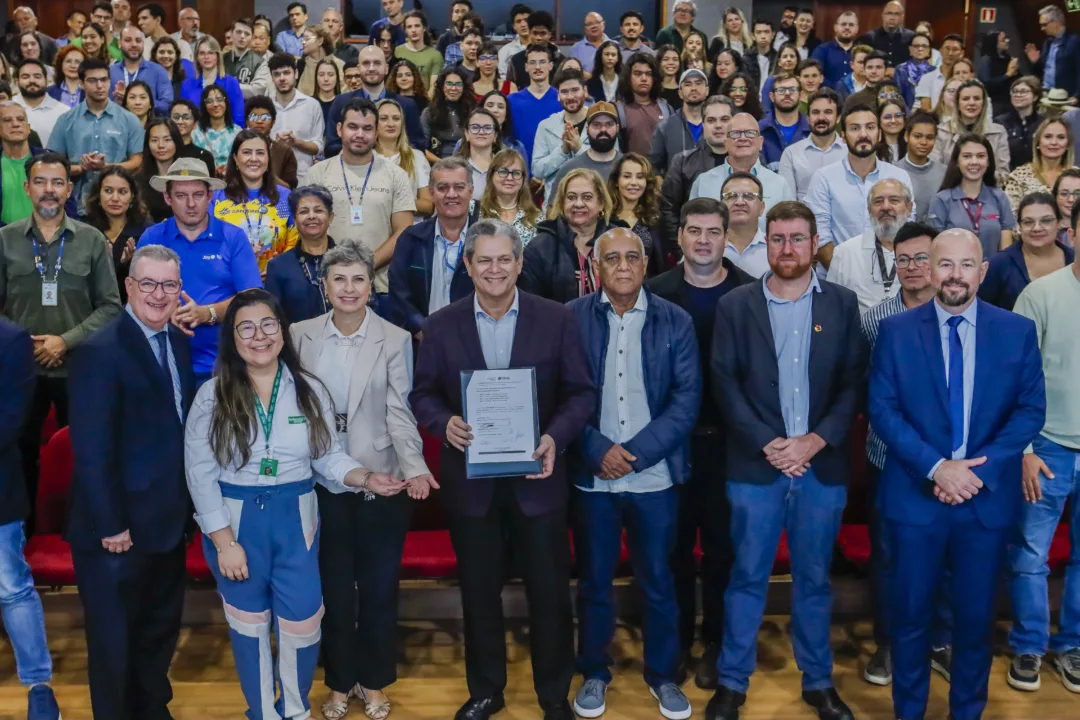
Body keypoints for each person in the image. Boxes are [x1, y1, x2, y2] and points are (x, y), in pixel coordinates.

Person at [410, 218, 594, 720]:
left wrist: (555, 436)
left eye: (504, 259)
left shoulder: (556, 319)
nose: (494, 269)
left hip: (540, 482)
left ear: (519, 264)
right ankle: (487, 689)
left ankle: (554, 692)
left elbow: (581, 393)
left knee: (551, 594)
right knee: (479, 595)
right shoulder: (441, 325)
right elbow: (422, 394)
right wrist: (443, 422)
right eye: (483, 260)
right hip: (472, 488)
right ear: (468, 266)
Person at [869, 228, 1046, 720]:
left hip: (984, 504)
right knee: (909, 622)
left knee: (973, 624)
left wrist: (974, 476)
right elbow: (883, 411)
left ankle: (966, 712)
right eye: (944, 264)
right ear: (929, 268)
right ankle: (910, 712)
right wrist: (938, 468)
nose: (954, 275)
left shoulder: (1016, 331)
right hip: (915, 501)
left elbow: (1030, 412)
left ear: (982, 272)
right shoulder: (897, 331)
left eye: (966, 265)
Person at [184, 286, 376, 720]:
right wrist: (223, 541)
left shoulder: (309, 390)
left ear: (282, 331)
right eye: (245, 327)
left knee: (304, 623)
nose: (259, 336)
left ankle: (294, 710)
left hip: (296, 519)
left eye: (268, 324)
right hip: (236, 523)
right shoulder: (211, 396)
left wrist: (364, 476)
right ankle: (263, 713)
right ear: (232, 338)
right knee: (250, 628)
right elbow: (200, 473)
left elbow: (327, 455)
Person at [708, 200, 866, 720]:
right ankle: (732, 683)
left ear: (813, 239)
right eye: (777, 239)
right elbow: (724, 383)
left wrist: (815, 441)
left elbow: (852, 385)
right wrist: (768, 443)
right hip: (757, 468)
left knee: (815, 580)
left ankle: (818, 683)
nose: (788, 249)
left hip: (820, 468)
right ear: (765, 241)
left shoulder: (843, 305)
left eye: (798, 238)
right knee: (747, 576)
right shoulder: (736, 305)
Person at [290, 239, 434, 720]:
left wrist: (414, 468)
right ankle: (336, 683)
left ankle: (372, 682)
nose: (349, 288)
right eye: (339, 279)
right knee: (332, 589)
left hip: (383, 478)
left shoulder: (393, 338)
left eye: (358, 279)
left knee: (376, 588)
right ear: (324, 285)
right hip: (319, 481)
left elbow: (400, 412)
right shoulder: (299, 334)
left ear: (371, 285)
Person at [565, 225, 698, 720]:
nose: (622, 266)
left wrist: (634, 454)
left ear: (647, 264)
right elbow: (560, 395)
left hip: (654, 479)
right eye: (612, 258)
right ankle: (595, 672)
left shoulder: (676, 320)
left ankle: (663, 676)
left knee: (659, 581)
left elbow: (686, 402)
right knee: (595, 582)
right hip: (593, 478)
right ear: (595, 267)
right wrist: (598, 449)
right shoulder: (571, 318)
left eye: (632, 257)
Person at [66, 243, 194, 720]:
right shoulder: (101, 350)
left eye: (169, 285)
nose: (159, 294)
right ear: (128, 287)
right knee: (114, 645)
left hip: (165, 523)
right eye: (149, 284)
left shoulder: (176, 340)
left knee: (157, 634)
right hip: (115, 534)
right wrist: (111, 524)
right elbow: (92, 449)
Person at [646, 198, 752, 689]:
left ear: (727, 237)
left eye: (714, 231)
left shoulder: (751, 292)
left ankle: (715, 643)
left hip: (730, 446)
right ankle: (674, 643)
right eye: (694, 231)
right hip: (671, 444)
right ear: (681, 237)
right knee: (672, 551)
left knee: (721, 552)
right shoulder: (654, 293)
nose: (704, 240)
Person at [0, 151, 122, 525]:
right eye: (40, 182)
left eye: (57, 182)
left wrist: (64, 341)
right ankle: (26, 534)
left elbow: (111, 307)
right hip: (20, 374)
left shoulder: (91, 240)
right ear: (27, 188)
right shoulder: (4, 240)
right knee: (17, 457)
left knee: (85, 455)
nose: (49, 190)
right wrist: (26, 345)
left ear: (69, 188)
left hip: (80, 370)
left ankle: (80, 531)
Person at [858, 221, 942, 686]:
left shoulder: (964, 314)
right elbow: (870, 393)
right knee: (888, 556)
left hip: (950, 464)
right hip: (888, 458)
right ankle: (888, 643)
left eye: (921, 258)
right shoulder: (875, 320)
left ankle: (939, 641)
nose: (912, 267)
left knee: (944, 555)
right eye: (903, 259)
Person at [1006, 218, 1080, 693]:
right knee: (1031, 556)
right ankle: (1029, 645)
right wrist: (1026, 449)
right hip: (1048, 444)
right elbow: (1015, 380)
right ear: (1073, 232)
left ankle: (1071, 645)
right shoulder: (1040, 293)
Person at [136, 158, 262, 385]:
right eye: (181, 196)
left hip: (223, 366)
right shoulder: (152, 238)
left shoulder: (233, 237)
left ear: (209, 196)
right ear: (168, 198)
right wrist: (163, 314)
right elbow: (137, 296)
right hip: (163, 365)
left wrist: (208, 313)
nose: (191, 203)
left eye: (197, 195)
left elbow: (252, 297)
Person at [0, 267, 62, 720]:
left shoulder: (11, 339)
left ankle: (39, 685)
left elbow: (12, 421)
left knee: (13, 588)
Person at [305, 97, 415, 292]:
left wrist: (366, 267)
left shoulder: (396, 174)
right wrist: (340, 272)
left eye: (367, 128)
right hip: (326, 283)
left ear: (377, 132)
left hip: (380, 285)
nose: (359, 134)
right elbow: (306, 228)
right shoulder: (318, 173)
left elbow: (403, 231)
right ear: (339, 129)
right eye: (352, 127)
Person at [804, 103, 913, 270]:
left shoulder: (899, 177)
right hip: (838, 278)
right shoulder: (824, 178)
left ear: (879, 135)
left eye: (870, 127)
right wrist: (848, 277)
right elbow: (821, 239)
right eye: (855, 128)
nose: (863, 134)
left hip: (891, 278)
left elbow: (907, 231)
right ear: (843, 136)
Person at [388, 156, 476, 337]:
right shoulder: (410, 239)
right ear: (431, 193)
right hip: (423, 341)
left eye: (459, 187)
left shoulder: (488, 239)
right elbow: (399, 292)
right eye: (443, 187)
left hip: (474, 340)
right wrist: (422, 330)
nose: (451, 194)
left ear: (471, 191)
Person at [47, 57, 144, 216]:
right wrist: (81, 168)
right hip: (76, 208)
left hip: (118, 206)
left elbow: (137, 161)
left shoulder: (129, 119)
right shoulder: (66, 120)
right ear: (81, 83)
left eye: (104, 80)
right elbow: (53, 166)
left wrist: (108, 167)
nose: (100, 86)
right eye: (92, 80)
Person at [521, 168, 619, 303]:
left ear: (601, 203)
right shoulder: (539, 248)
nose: (578, 204)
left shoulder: (619, 240)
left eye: (587, 197)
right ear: (562, 203)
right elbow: (529, 304)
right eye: (571, 197)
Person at [212, 129, 297, 273]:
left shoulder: (284, 197)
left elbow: (294, 242)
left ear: (268, 159)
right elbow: (209, 244)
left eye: (260, 153)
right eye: (246, 152)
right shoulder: (216, 198)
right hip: (228, 282)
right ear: (235, 158)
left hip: (275, 283)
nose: (254, 158)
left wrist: (279, 269)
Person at [690, 113, 793, 230]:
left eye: (750, 133)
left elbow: (788, 230)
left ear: (760, 142)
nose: (743, 138)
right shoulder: (703, 182)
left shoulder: (779, 185)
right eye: (735, 134)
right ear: (726, 143)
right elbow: (694, 229)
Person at [661, 96, 733, 260]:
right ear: (703, 124)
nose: (718, 125)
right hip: (695, 253)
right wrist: (682, 251)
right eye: (711, 120)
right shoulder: (682, 162)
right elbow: (668, 210)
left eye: (724, 119)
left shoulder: (751, 161)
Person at [979, 192, 1073, 311]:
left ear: (1059, 223)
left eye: (1046, 220)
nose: (1037, 228)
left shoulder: (1074, 261)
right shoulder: (998, 264)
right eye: (1028, 222)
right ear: (1019, 226)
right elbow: (981, 311)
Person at [826, 178, 911, 310]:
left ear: (909, 208)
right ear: (869, 210)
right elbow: (832, 305)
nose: (886, 207)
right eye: (878, 201)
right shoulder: (844, 252)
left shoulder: (927, 250)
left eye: (894, 200)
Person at [928, 133, 1015, 260]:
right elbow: (936, 249)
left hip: (993, 275)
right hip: (954, 275)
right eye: (967, 156)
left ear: (988, 161)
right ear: (957, 162)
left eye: (980, 156)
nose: (974, 162)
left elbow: (1006, 251)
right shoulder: (941, 200)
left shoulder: (1000, 197)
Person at [325, 46, 425, 156]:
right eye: (366, 63)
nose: (371, 68)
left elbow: (418, 145)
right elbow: (331, 147)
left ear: (386, 68)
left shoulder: (407, 105)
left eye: (377, 63)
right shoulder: (341, 102)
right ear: (358, 68)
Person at [264, 185, 335, 323]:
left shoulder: (349, 261)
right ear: (295, 220)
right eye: (303, 212)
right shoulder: (279, 266)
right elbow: (274, 318)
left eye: (319, 210)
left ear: (331, 217)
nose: (311, 216)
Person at [546, 104, 623, 215]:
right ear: (587, 129)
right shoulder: (570, 168)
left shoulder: (627, 166)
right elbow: (552, 212)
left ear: (617, 128)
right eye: (596, 125)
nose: (603, 130)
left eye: (609, 124)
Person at [84, 166, 147, 300]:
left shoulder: (145, 231)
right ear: (98, 194)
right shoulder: (85, 230)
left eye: (122, 192)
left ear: (132, 197)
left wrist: (128, 265)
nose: (115, 198)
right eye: (108, 191)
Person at [932, 80, 1010, 182]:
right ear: (958, 103)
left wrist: (977, 175)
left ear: (984, 103)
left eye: (977, 98)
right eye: (965, 99)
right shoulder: (942, 131)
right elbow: (935, 171)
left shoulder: (998, 132)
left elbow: (1003, 174)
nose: (971, 103)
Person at [137, 116, 211, 222]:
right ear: (147, 144)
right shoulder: (139, 181)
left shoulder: (191, 176)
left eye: (167, 140)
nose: (161, 145)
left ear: (176, 141)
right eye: (154, 140)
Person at [532, 67, 591, 199]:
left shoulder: (601, 123)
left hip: (592, 204)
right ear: (558, 95)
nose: (570, 97)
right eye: (564, 92)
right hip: (555, 206)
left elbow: (608, 166)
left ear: (585, 91)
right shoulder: (546, 126)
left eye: (575, 90)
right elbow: (537, 170)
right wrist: (562, 151)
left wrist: (579, 148)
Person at [778, 88, 844, 201]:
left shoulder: (850, 152)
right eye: (815, 112)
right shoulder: (791, 153)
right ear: (808, 118)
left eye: (828, 112)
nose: (821, 118)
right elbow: (788, 203)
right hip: (804, 217)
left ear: (838, 118)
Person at [267, 53, 323, 185]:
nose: (282, 78)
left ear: (296, 73)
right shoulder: (264, 106)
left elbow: (318, 146)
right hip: (271, 179)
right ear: (272, 78)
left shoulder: (311, 105)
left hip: (303, 178)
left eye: (286, 73)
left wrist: (296, 142)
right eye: (277, 74)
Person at [376, 98, 433, 217]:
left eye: (396, 118)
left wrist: (393, 203)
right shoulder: (365, 157)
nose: (391, 124)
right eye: (383, 118)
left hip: (409, 227)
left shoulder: (416, 157)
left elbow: (428, 205)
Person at [1005, 118, 1076, 213]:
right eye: (1048, 137)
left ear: (1068, 144)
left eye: (1061, 137)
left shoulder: (1077, 175)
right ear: (1038, 142)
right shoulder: (1019, 176)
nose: (1054, 142)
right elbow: (1011, 216)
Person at [507, 43, 561, 164]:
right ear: (526, 67)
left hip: (554, 171)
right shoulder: (511, 101)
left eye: (542, 62)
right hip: (519, 172)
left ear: (551, 65)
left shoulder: (562, 99)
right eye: (532, 62)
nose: (537, 67)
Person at [606, 153, 661, 267]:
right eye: (627, 176)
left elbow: (661, 264)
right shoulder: (603, 217)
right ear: (616, 181)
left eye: (640, 177)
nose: (634, 183)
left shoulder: (654, 218)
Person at [650, 68, 707, 175]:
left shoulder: (717, 125)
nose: (694, 88)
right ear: (680, 93)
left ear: (707, 90)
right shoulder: (665, 127)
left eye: (698, 83)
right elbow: (653, 166)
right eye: (688, 84)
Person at [477, 148, 540, 245]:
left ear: (523, 179)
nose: (510, 178)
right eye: (503, 172)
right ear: (491, 175)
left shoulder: (536, 218)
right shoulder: (476, 213)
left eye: (516, 173)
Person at [181, 36, 245, 128]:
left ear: (218, 56)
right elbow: (184, 116)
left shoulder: (231, 83)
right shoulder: (187, 85)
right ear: (197, 57)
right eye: (202, 53)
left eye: (211, 53)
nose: (206, 57)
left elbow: (238, 118)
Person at [618, 53, 674, 157]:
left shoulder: (666, 109)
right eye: (638, 73)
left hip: (660, 172)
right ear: (628, 78)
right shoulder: (619, 111)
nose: (644, 78)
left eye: (648, 74)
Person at [108, 26, 172, 115]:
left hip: (149, 126)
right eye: (128, 40)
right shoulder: (110, 72)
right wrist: (118, 102)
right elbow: (100, 106)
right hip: (116, 126)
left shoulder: (158, 71)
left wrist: (144, 101)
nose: (134, 44)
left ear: (143, 43)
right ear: (119, 43)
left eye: (138, 40)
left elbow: (168, 106)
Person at [719, 172, 770, 278]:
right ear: (721, 206)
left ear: (761, 208)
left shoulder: (775, 247)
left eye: (749, 196)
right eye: (731, 196)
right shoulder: (707, 245)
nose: (740, 202)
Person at [1025, 5, 1080, 102]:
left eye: (1044, 24)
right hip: (1046, 94)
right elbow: (1044, 70)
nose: (1042, 28)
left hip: (1066, 97)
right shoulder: (1048, 42)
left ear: (1056, 22)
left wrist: (1077, 96)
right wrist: (1036, 61)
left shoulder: (1075, 41)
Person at [0, 102, 42, 225]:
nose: (15, 124)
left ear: (28, 128)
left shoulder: (50, 161)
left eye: (20, 119)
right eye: (7, 120)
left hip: (46, 236)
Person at [245, 96, 298, 190]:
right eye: (254, 117)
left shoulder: (284, 151)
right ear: (247, 122)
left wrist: (269, 176)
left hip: (275, 201)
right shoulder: (239, 149)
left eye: (265, 117)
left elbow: (290, 189)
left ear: (273, 122)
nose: (259, 121)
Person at [422, 69, 475, 162]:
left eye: (458, 84)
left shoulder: (472, 112)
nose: (453, 88)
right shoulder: (429, 113)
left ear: (464, 87)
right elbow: (422, 149)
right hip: (437, 164)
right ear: (442, 87)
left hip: (467, 164)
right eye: (449, 84)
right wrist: (444, 164)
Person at [12, 60, 68, 149]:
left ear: (46, 81)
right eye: (25, 77)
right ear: (17, 82)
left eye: (37, 77)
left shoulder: (64, 112)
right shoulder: (5, 109)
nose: (31, 80)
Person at [759, 73, 809, 169]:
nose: (787, 94)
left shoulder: (812, 131)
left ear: (800, 95)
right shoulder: (759, 130)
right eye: (781, 90)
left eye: (792, 90)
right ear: (772, 96)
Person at [506, 11, 564, 90]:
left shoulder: (562, 62)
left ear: (550, 35)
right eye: (535, 33)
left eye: (543, 33)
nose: (538, 38)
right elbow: (509, 89)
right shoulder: (516, 61)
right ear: (529, 33)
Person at [191, 84, 241, 174]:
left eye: (219, 99)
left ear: (226, 102)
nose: (215, 104)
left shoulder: (238, 132)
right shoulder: (196, 134)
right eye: (209, 101)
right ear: (204, 105)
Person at [997, 76, 1044, 171]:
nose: (1018, 95)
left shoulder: (1043, 123)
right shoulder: (1001, 122)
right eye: (1014, 91)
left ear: (1035, 96)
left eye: (1023, 91)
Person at [393, 11, 442, 93]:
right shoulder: (397, 52)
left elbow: (433, 88)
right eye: (409, 27)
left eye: (417, 26)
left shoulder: (435, 56)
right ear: (405, 30)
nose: (413, 30)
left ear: (424, 28)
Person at [915, 36, 968, 111]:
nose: (950, 53)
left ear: (961, 53)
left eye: (955, 49)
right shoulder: (927, 78)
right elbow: (926, 110)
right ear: (940, 51)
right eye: (947, 48)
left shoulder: (967, 79)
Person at [857, 1, 914, 71]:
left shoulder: (911, 37)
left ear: (902, 17)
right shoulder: (869, 38)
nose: (892, 18)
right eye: (889, 13)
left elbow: (914, 63)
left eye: (896, 14)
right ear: (883, 15)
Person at [223, 19, 272, 97]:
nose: (242, 36)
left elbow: (257, 91)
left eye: (247, 34)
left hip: (248, 107)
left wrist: (227, 87)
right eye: (238, 32)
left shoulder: (261, 63)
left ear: (251, 37)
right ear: (232, 34)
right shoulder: (221, 59)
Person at [810, 12, 859, 89]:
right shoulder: (821, 50)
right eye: (843, 24)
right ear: (835, 28)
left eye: (851, 25)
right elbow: (813, 75)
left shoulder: (862, 52)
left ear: (857, 29)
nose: (847, 27)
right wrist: (836, 90)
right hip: (828, 97)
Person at [297, 25, 344, 99]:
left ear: (320, 41)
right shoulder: (301, 64)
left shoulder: (339, 65)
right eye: (303, 39)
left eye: (307, 39)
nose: (303, 42)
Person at [978, 30, 1020, 112]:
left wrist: (1016, 70)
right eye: (1003, 40)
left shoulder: (1007, 57)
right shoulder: (986, 59)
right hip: (994, 102)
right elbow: (987, 83)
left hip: (1008, 100)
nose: (1007, 41)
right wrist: (1007, 75)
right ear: (995, 44)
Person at [894, 33, 934, 110]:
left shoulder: (934, 71)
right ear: (910, 49)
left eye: (924, 46)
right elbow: (897, 97)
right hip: (906, 113)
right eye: (916, 46)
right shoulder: (900, 70)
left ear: (929, 50)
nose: (920, 49)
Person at [760, 44, 800, 115]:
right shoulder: (771, 81)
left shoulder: (801, 80)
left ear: (797, 60)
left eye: (792, 56)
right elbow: (766, 108)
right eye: (785, 57)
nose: (789, 59)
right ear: (779, 62)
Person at [152, 36, 193, 102]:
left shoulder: (183, 80)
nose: (166, 56)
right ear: (155, 55)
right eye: (161, 52)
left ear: (176, 56)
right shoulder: (148, 78)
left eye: (170, 52)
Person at [1053, 168, 1080, 246]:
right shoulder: (1045, 230)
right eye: (1064, 194)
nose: (1071, 200)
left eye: (1078, 194)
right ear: (1055, 196)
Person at [654, 46, 683, 112]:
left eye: (675, 59)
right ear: (659, 62)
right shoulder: (653, 89)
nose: (671, 63)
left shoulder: (684, 89)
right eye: (666, 59)